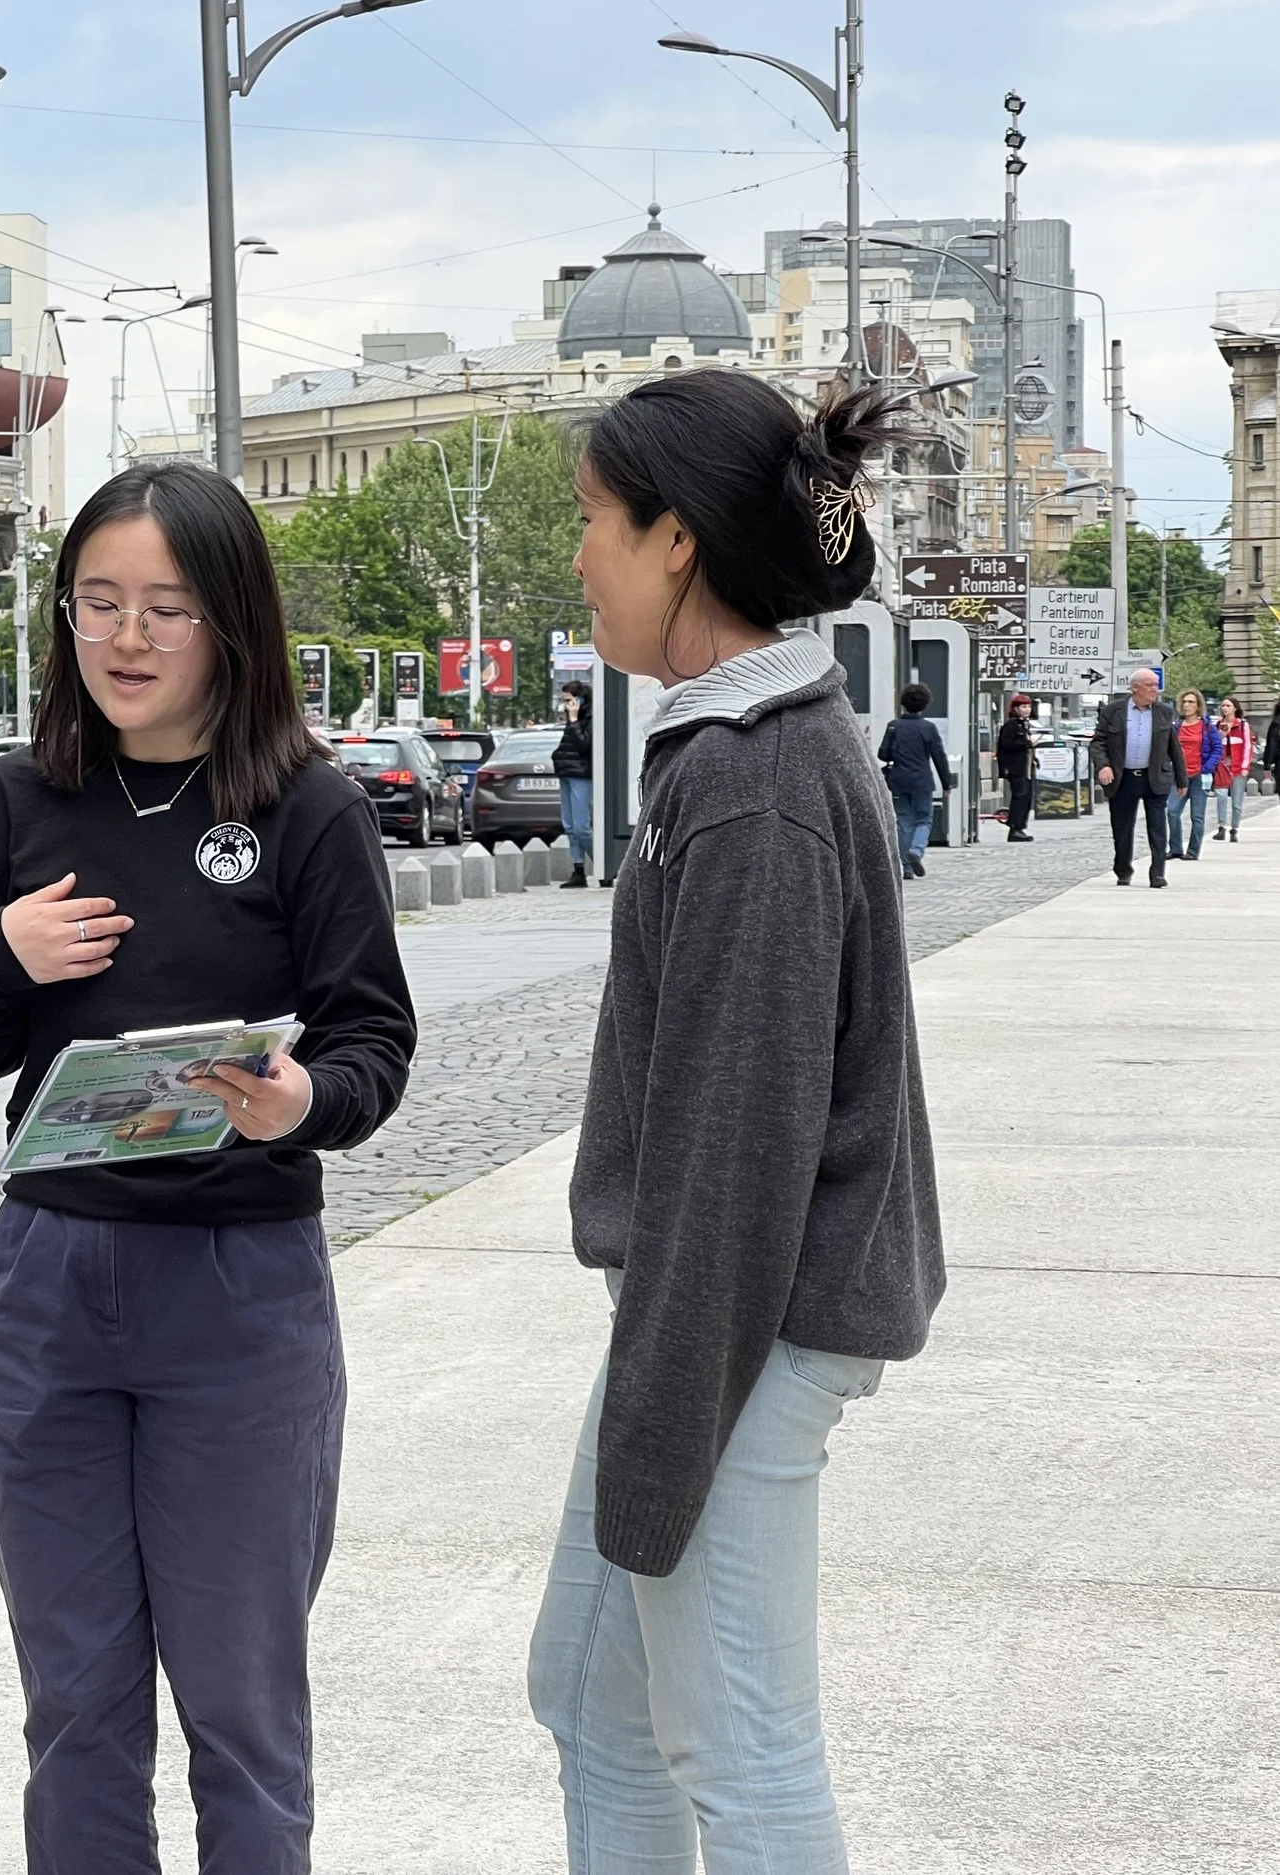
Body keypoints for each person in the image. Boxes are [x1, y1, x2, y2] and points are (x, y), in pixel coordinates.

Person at [0, 460, 416, 1873]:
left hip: (238, 1288)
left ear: (230, 622)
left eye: (165, 608)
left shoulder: (309, 808)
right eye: (97, 603)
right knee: (74, 1701)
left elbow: (373, 1040)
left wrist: (297, 1100)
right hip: (47, 1283)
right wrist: (0, 953)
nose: (126, 639)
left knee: (241, 1706)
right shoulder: (22, 798)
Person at [533, 371, 942, 1875]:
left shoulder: (754, 781)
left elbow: (736, 1150)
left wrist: (663, 1415)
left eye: (593, 519)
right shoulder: (738, 749)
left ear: (676, 540)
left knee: (740, 1747)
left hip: (739, 1325)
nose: (577, 554)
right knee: (593, 1697)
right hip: (718, 1310)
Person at [1090, 665, 1179, 888]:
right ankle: (1123, 870)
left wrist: (1182, 779)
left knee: (1157, 827)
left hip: (1154, 777)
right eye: (1150, 685)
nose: (1155, 689)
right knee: (1122, 828)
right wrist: (1103, 766)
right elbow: (1098, 742)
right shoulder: (1113, 711)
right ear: (1135, 688)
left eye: (1156, 685)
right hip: (1124, 778)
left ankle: (1157, 873)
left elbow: (1173, 747)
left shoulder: (1164, 712)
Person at [877, 682, 954, 879]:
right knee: (924, 819)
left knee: (904, 820)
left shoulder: (893, 726)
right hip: (922, 780)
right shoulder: (928, 728)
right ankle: (916, 850)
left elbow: (883, 754)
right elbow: (939, 757)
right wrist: (947, 783)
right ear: (925, 704)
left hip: (898, 780)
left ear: (903, 702)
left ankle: (907, 867)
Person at [1168, 687, 1219, 860]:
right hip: (1179, 776)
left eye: (1191, 702)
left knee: (1197, 816)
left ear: (1198, 706)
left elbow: (1217, 750)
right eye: (1184, 702)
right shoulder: (1176, 727)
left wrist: (1206, 767)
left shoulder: (1207, 728)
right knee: (1172, 812)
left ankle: (1193, 850)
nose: (1187, 705)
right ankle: (1175, 848)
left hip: (1199, 776)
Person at [552, 678, 593, 886]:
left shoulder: (590, 718)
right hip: (567, 773)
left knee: (581, 827)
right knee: (569, 826)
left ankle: (605, 864)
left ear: (580, 700)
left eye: (569, 700)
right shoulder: (572, 718)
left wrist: (575, 720)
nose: (566, 705)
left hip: (582, 775)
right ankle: (578, 870)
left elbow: (584, 745)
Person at [997, 692, 1038, 842]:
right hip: (1016, 769)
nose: (1027, 710)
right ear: (1015, 709)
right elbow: (1007, 745)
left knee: (1026, 799)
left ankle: (1021, 827)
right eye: (1023, 707)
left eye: (1028, 707)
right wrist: (1028, 743)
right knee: (1019, 798)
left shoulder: (1024, 725)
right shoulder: (1011, 726)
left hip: (1026, 768)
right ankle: (1015, 828)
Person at [1213, 695, 1253, 842]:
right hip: (1222, 767)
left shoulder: (1242, 725)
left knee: (1236, 802)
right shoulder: (1217, 725)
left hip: (1238, 767)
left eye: (1228, 705)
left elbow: (1248, 746)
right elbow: (1214, 745)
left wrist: (1245, 766)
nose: (1225, 708)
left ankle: (1234, 829)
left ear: (1235, 708)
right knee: (1221, 797)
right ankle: (1221, 827)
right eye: (1223, 705)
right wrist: (1221, 735)